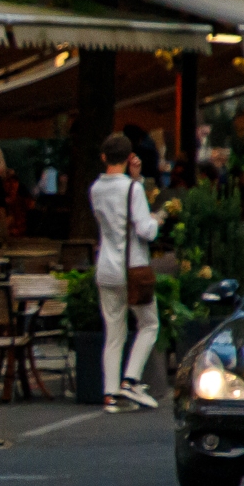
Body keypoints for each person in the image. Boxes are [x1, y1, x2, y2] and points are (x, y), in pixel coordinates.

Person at [92, 133, 163, 412]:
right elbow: (144, 230)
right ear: (129, 157)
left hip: (106, 268)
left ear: (103, 157)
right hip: (133, 268)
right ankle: (131, 381)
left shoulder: (95, 188)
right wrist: (157, 220)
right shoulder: (133, 190)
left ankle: (110, 394)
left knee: (114, 331)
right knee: (149, 324)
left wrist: (135, 181)